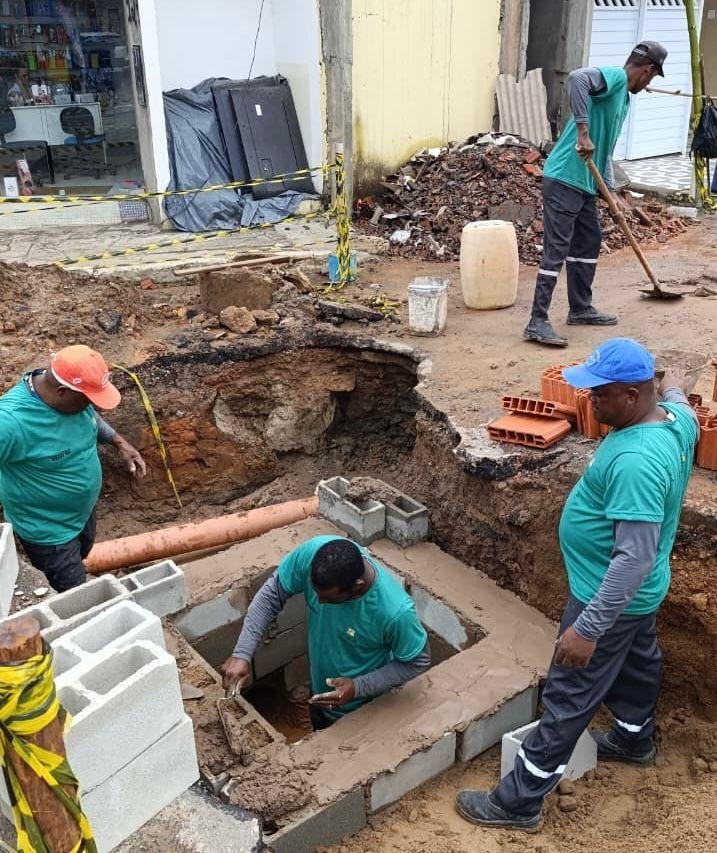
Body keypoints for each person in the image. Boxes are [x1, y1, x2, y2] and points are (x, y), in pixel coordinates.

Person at [456, 338, 698, 831]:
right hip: (641, 598)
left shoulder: (636, 461)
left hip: (607, 599)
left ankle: (516, 802)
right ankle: (634, 739)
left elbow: (633, 557)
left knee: (568, 698)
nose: (589, 402)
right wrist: (668, 378)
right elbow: (677, 392)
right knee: (637, 664)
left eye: (599, 394)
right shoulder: (675, 420)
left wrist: (588, 628)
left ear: (631, 395)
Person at [523, 42, 668, 347]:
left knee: (589, 240)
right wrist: (582, 131)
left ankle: (580, 308)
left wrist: (612, 192)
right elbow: (577, 78)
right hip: (564, 177)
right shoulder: (614, 77)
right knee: (557, 248)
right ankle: (537, 321)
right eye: (652, 78)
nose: (649, 84)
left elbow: (605, 151)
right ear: (647, 70)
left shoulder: (623, 101)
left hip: (586, 183)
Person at [221, 535, 430, 729]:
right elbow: (271, 595)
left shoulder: (394, 612)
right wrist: (242, 652)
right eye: (316, 592)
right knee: (318, 721)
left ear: (358, 586)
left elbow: (417, 662)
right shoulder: (316, 552)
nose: (319, 602)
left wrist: (358, 687)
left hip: (361, 710)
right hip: (320, 690)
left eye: (329, 599)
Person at [0, 345, 146, 593]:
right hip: (50, 534)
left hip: (81, 515)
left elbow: (91, 417)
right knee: (77, 599)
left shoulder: (71, 402)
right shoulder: (11, 422)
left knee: (83, 553)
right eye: (88, 400)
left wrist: (119, 442)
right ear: (62, 392)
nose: (95, 407)